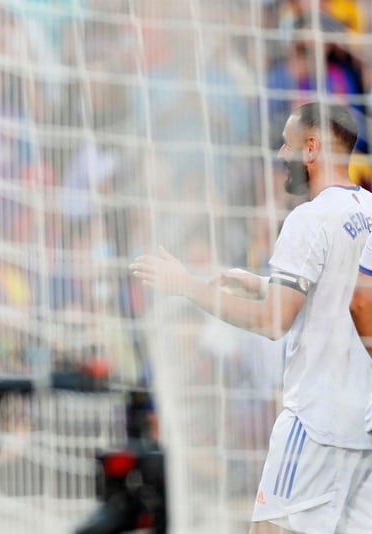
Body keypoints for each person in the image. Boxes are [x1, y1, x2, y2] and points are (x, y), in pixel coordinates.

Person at [130, 102, 372, 533]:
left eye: (287, 143)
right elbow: (347, 296)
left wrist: (187, 286)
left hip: (315, 424)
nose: (281, 154)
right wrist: (264, 284)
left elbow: (273, 323)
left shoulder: (309, 219)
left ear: (312, 149)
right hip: (363, 430)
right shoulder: (368, 212)